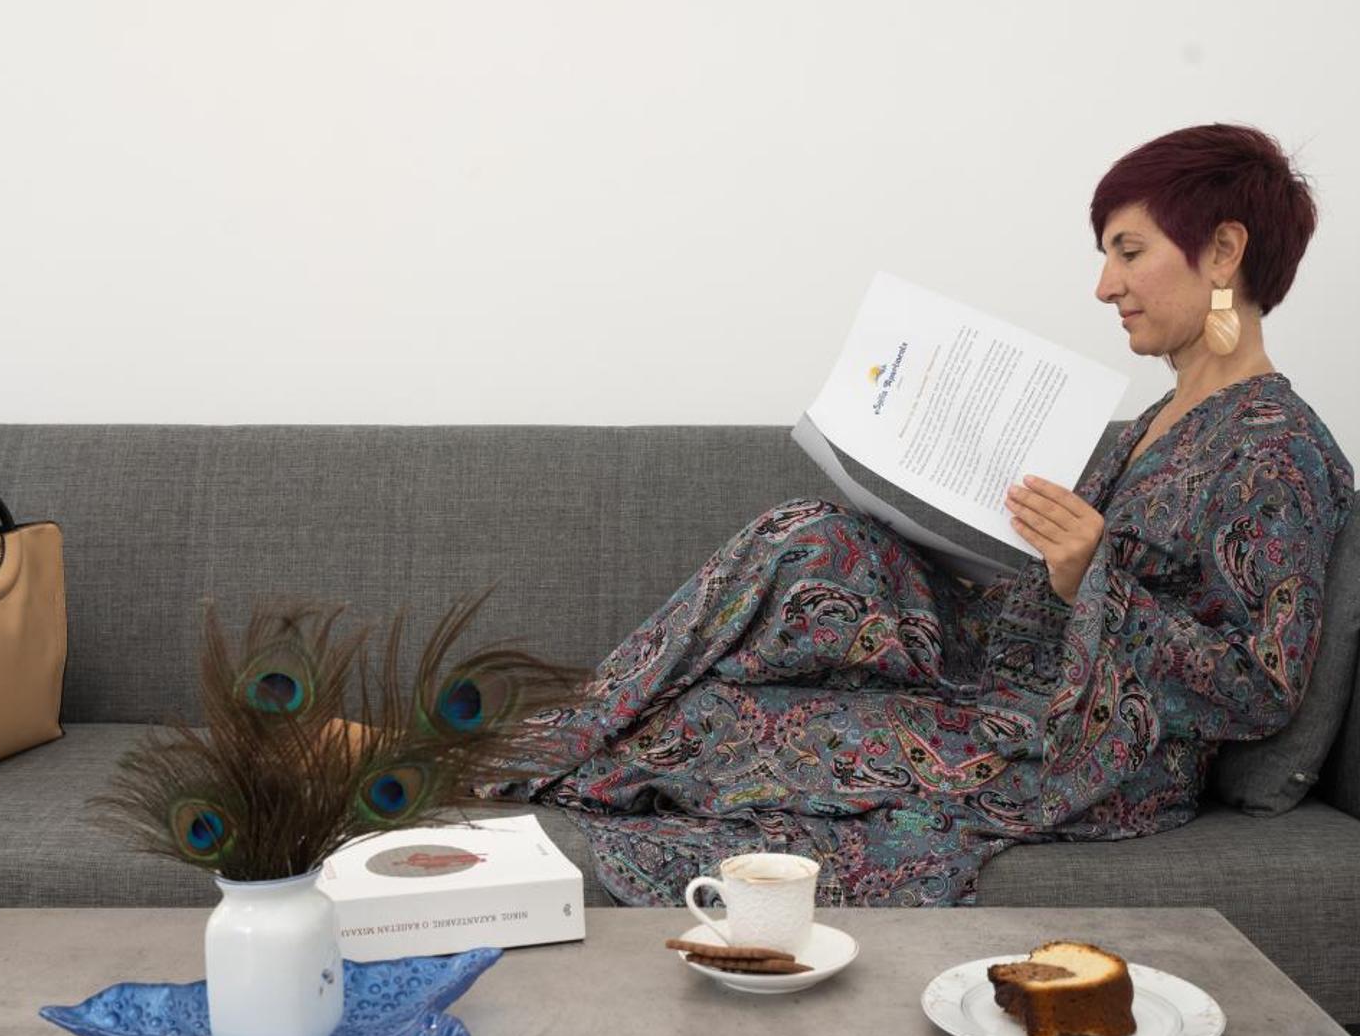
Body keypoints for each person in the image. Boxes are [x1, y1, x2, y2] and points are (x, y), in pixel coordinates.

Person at [480, 123, 1354, 907]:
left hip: (1088, 754)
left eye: (1129, 252)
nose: (1103, 285)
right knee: (809, 538)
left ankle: (517, 759)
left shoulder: (1279, 449)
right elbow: (1057, 592)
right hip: (999, 674)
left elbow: (1259, 689)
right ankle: (541, 744)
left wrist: (1096, 582)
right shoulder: (1156, 422)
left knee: (709, 725)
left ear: (1224, 250)